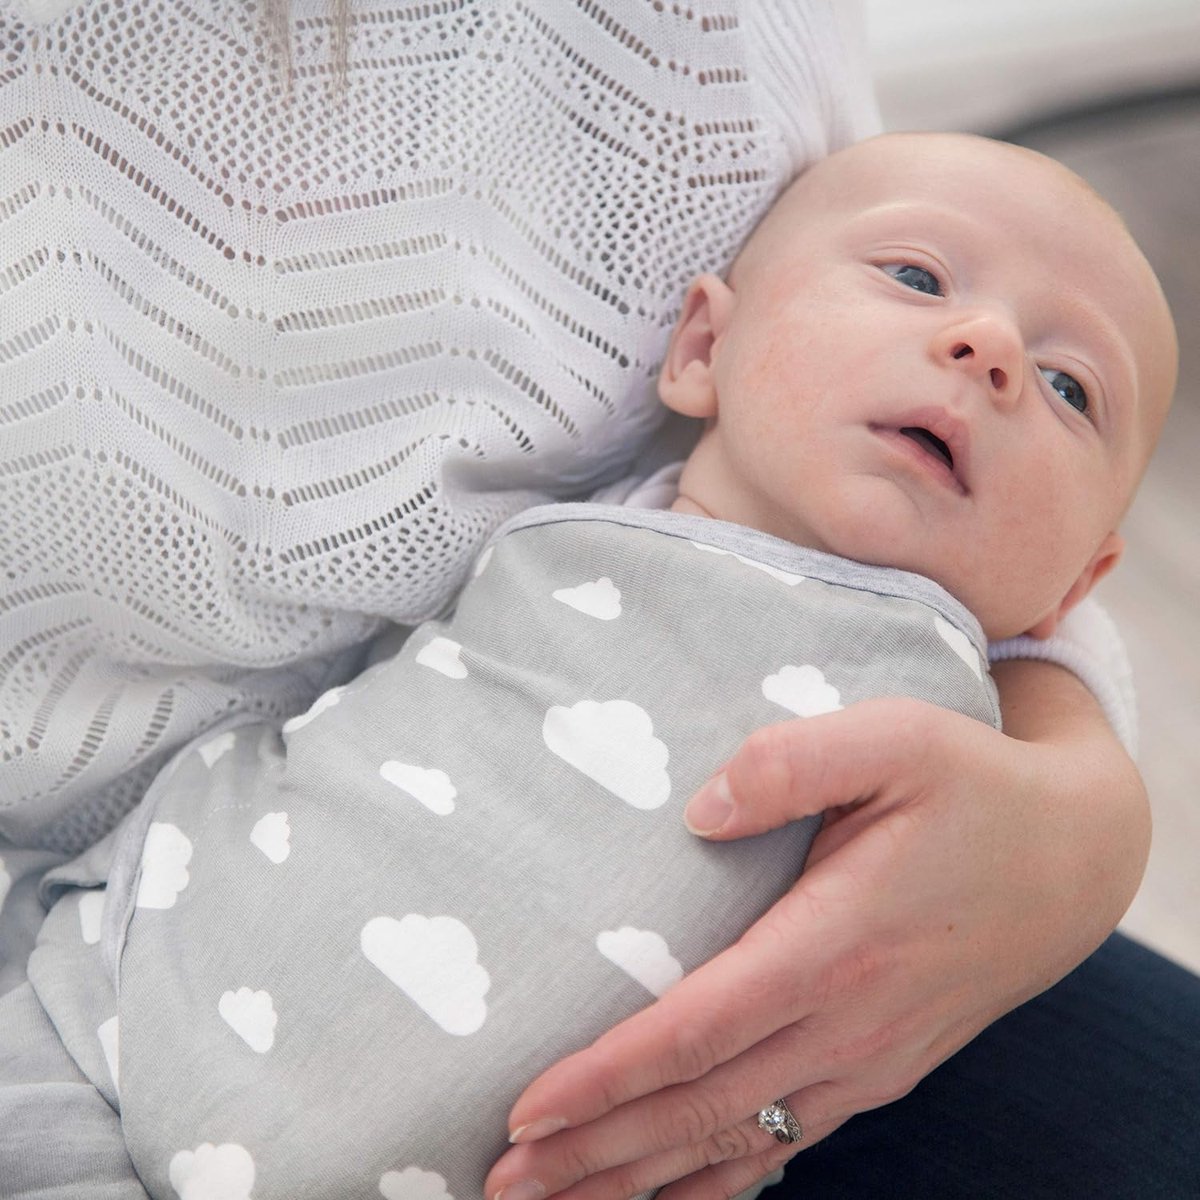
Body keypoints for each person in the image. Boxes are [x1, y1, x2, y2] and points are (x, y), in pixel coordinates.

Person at [0, 3, 1196, 1197]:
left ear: (1086, 574)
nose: (988, 344)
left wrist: (1081, 800)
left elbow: (995, 578)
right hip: (121, 964)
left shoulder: (717, 46)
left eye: (1069, 387)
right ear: (696, 350)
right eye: (917, 278)